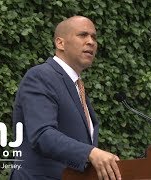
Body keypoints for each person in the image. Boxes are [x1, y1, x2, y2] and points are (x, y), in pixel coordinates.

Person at [10, 16, 121, 180]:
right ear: (60, 43)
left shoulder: (77, 86)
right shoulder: (41, 76)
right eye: (83, 35)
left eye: (94, 37)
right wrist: (90, 152)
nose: (91, 42)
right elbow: (42, 134)